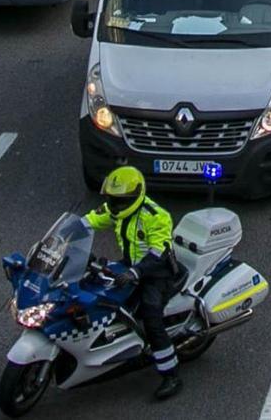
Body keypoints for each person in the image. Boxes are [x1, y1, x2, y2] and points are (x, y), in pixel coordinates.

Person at [83, 166, 184, 400]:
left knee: (151, 317)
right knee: (92, 286)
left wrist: (136, 273)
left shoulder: (156, 216)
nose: (114, 206)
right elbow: (89, 221)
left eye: (120, 201)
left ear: (135, 196)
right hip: (130, 266)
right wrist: (66, 236)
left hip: (156, 274)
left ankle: (171, 375)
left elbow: (159, 252)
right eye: (112, 200)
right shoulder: (116, 208)